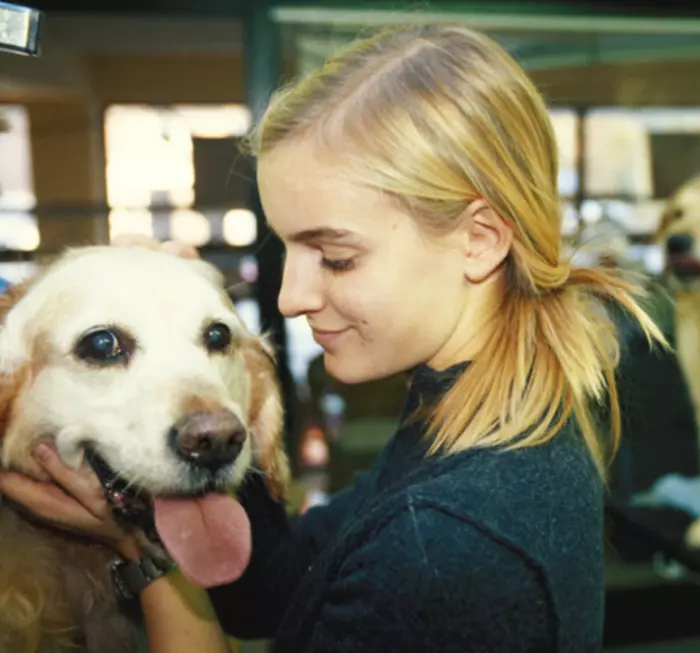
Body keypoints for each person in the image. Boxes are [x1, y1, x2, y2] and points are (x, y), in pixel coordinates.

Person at [0, 24, 662, 652]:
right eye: (287, 247)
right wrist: (200, 349)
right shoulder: (483, 412)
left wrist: (142, 557)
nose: (290, 298)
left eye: (337, 257)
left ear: (479, 240)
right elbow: (274, 589)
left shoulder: (446, 544)